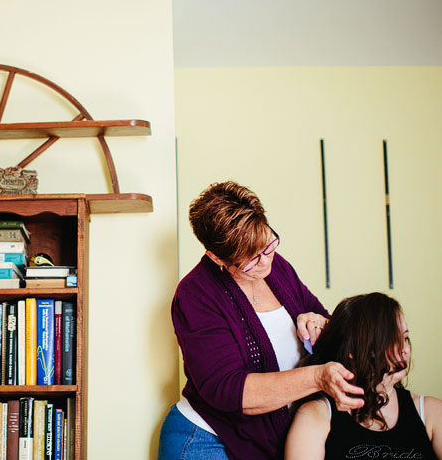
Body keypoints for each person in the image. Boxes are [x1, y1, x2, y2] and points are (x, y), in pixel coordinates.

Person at [158, 181, 365, 460]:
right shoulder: (195, 294)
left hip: (272, 438)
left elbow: (328, 322)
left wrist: (318, 321)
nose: (266, 262)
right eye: (250, 261)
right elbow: (231, 391)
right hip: (207, 439)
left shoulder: (277, 266)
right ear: (215, 256)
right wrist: (317, 377)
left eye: (268, 245)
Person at [285, 292, 442, 459]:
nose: (404, 349)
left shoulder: (432, 412)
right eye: (391, 341)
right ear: (354, 350)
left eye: (405, 338)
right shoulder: (315, 416)